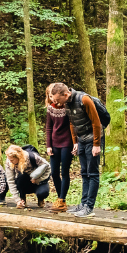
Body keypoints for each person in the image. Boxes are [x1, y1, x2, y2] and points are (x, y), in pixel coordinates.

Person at [47, 82, 107, 216]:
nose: (56, 103)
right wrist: (75, 142)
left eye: (57, 100)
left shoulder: (84, 99)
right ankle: (83, 204)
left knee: (92, 173)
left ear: (66, 94)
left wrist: (96, 144)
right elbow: (72, 122)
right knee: (84, 173)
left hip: (92, 140)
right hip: (81, 140)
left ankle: (89, 207)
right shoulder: (67, 103)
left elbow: (96, 122)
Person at [44, 85, 74, 213]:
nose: (54, 100)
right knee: (54, 172)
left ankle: (62, 199)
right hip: (54, 143)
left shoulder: (68, 107)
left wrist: (75, 143)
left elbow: (73, 126)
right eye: (52, 98)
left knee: (64, 172)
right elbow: (49, 127)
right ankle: (60, 198)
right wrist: (48, 145)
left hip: (67, 143)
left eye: (55, 98)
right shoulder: (50, 108)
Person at [5, 144, 52, 208]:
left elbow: (48, 167)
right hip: (24, 181)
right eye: (9, 159)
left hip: (37, 180)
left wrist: (39, 180)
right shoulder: (9, 161)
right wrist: (17, 200)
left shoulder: (32, 157)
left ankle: (41, 199)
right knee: (21, 176)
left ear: (18, 157)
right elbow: (10, 180)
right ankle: (22, 198)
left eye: (12, 160)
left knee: (43, 192)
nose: (10, 161)